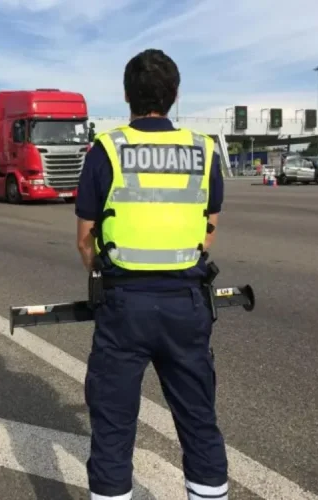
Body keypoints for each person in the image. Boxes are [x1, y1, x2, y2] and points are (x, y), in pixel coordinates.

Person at [74, 48, 228, 500]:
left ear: (126, 96)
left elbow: (85, 237)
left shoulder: (106, 149)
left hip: (124, 304)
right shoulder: (204, 150)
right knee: (199, 422)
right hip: (187, 302)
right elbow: (209, 229)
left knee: (113, 426)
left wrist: (100, 271)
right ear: (175, 95)